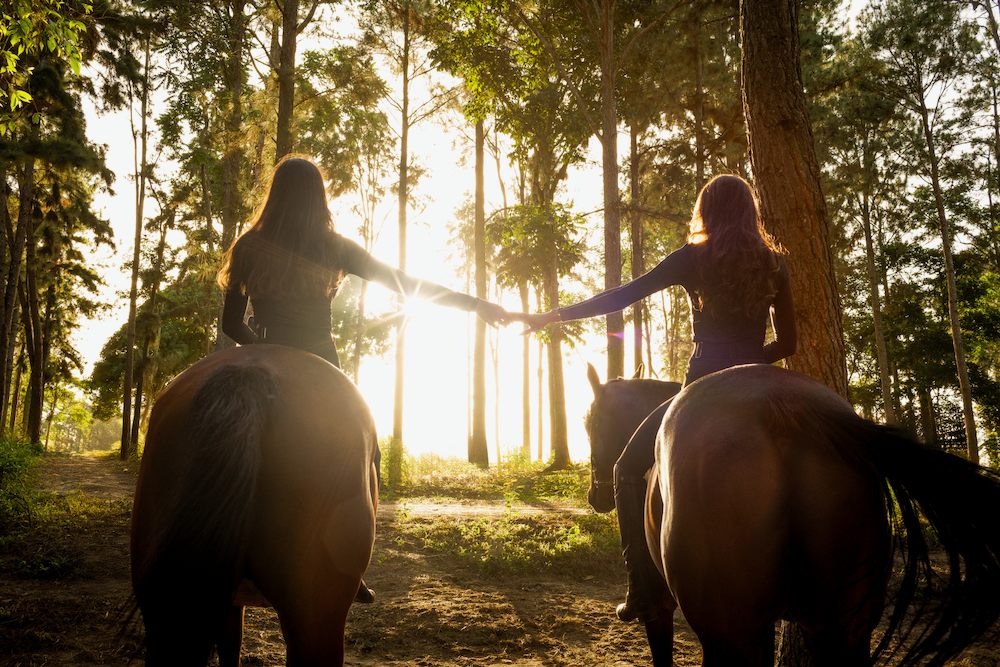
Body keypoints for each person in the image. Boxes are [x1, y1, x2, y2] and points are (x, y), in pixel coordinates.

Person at [217, 156, 509, 603]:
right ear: (320, 198)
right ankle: (350, 566)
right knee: (364, 449)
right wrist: (477, 306)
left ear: (274, 195)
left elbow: (231, 324)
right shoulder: (335, 246)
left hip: (261, 357)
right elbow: (407, 283)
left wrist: (261, 343)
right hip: (321, 364)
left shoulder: (248, 246)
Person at [515, 174, 796, 623]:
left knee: (626, 469)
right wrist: (748, 361)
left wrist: (556, 314)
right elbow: (788, 345)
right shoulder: (775, 264)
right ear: (750, 212)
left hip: (702, 389)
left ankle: (644, 591)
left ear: (708, 212)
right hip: (761, 383)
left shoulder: (693, 258)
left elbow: (623, 295)